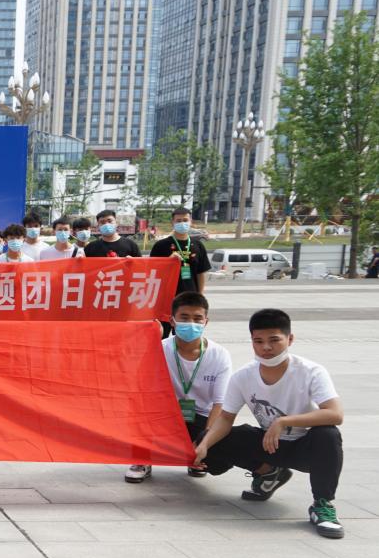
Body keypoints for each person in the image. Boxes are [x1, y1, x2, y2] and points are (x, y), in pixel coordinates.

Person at [192, 309, 345, 538]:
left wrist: (284, 421)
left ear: (289, 339)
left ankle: (322, 504)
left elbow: (335, 414)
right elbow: (225, 418)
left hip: (304, 447)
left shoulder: (311, 371)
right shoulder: (243, 376)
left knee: (328, 434)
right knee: (209, 439)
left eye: (274, 340)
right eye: (258, 341)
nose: (266, 347)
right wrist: (204, 445)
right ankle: (269, 473)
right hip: (270, 445)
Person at [125, 292, 232, 483]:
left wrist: (205, 439)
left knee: (220, 456)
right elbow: (140, 390)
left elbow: (219, 404)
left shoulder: (220, 355)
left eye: (197, 318)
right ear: (172, 321)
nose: (191, 323)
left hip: (200, 418)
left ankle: (195, 457)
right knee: (137, 408)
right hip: (164, 416)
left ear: (206, 322)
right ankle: (142, 459)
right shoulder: (158, 349)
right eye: (184, 317)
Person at [150, 207, 211, 297]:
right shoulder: (160, 245)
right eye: (178, 221)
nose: (182, 223)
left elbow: (200, 273)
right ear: (172, 223)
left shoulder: (198, 245)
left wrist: (200, 295)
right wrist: (168, 262)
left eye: (185, 220)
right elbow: (152, 272)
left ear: (191, 222)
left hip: (191, 296)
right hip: (167, 296)